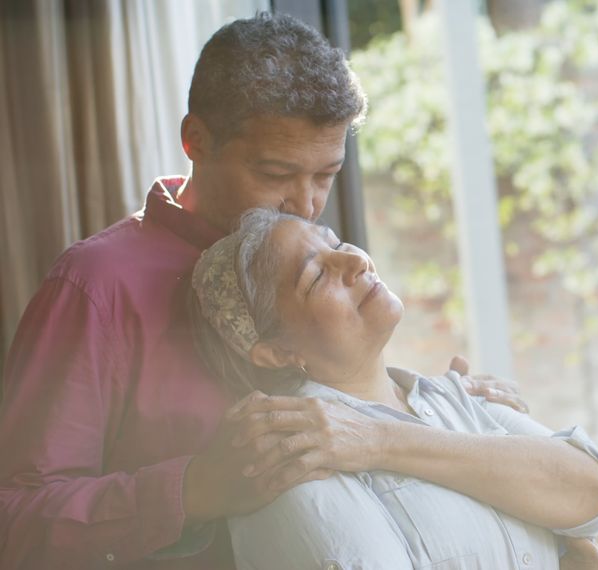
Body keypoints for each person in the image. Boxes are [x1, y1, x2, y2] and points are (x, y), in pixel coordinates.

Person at [0, 13, 525, 568]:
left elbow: (357, 417)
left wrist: (447, 413)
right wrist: (193, 489)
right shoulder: (94, 288)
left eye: (326, 175)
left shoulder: (317, 254)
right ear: (196, 140)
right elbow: (13, 521)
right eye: (276, 173)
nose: (305, 205)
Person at [188, 208, 598, 569]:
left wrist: (379, 440)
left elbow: (593, 492)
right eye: (318, 277)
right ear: (275, 352)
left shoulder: (454, 398)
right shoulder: (294, 448)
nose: (355, 261)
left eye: (337, 245)